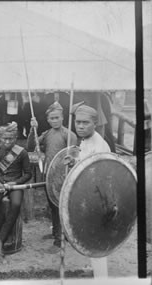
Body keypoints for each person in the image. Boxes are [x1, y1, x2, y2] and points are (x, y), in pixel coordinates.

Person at [64, 103, 110, 278]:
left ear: (95, 124)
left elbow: (101, 176)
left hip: (98, 198)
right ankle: (95, 272)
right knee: (89, 239)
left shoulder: (100, 145)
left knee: (97, 240)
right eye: (78, 122)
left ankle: (101, 279)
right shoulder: (85, 141)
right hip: (87, 196)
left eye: (85, 123)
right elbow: (85, 165)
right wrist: (74, 162)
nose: (80, 126)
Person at [26, 102, 77, 253]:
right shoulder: (47, 134)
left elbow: (74, 156)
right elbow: (30, 146)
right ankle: (56, 231)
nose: (55, 120)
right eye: (52, 118)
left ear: (62, 118)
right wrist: (32, 129)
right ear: (48, 120)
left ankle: (61, 238)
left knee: (62, 206)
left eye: (57, 118)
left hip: (64, 176)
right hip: (49, 175)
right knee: (52, 206)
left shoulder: (69, 135)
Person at [0, 122, 32, 258]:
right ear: (0, 138)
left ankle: (1, 239)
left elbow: (28, 174)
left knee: (16, 204)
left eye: (10, 139)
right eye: (4, 138)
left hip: (15, 185)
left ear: (15, 138)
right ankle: (6, 232)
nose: (7, 141)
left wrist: (16, 182)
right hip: (0, 184)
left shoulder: (22, 152)